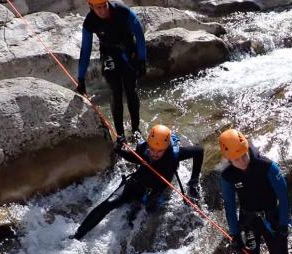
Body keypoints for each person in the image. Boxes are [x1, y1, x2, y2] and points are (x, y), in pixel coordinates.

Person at [218, 129, 292, 254]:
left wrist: (284, 225)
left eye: (244, 155)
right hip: (248, 220)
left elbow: (283, 197)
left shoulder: (267, 166)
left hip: (272, 218)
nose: (242, 161)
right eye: (236, 159)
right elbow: (229, 206)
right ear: (228, 159)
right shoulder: (228, 176)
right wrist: (235, 234)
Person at [71, 124, 203, 240]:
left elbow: (199, 151)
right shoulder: (145, 147)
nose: (155, 154)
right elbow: (135, 158)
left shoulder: (175, 154)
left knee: (145, 214)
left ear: (167, 146)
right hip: (137, 182)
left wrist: (194, 180)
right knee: (108, 204)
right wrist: (119, 150)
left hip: (157, 189)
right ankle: (77, 235)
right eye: (152, 149)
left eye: (159, 151)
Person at [75, 0, 147, 138]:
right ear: (91, 7)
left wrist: (142, 60)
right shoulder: (90, 22)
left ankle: (136, 130)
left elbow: (139, 35)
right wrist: (81, 78)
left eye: (104, 6)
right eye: (98, 8)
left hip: (128, 51)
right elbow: (85, 50)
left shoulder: (123, 11)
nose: (103, 11)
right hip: (108, 53)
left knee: (131, 89)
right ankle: (120, 135)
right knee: (116, 91)